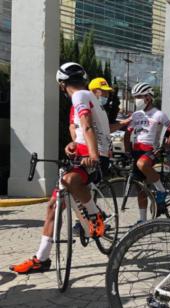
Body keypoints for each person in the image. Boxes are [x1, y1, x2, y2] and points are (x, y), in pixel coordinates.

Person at [9, 63, 111, 274]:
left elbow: (88, 126)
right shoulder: (87, 96)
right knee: (53, 206)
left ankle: (94, 216)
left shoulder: (80, 96)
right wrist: (73, 145)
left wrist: (92, 154)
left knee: (69, 181)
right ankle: (42, 258)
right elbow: (84, 131)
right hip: (85, 151)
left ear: (61, 85)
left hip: (94, 155)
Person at [124, 82, 170, 224]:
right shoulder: (136, 115)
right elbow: (127, 133)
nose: (136, 99)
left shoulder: (159, 114)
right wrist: (127, 150)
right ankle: (142, 220)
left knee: (142, 164)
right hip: (137, 150)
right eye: (135, 97)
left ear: (148, 97)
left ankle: (161, 191)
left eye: (139, 96)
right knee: (140, 188)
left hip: (151, 150)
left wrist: (165, 147)